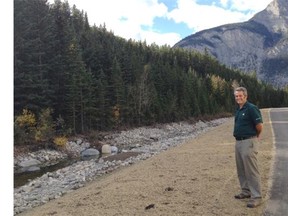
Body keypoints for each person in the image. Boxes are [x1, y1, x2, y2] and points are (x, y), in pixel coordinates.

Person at [233, 87, 263, 208]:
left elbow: (259, 125)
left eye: (240, 96)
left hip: (248, 141)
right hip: (239, 142)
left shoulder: (251, 108)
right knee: (241, 169)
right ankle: (246, 191)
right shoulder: (239, 109)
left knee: (251, 170)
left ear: (246, 96)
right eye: (236, 96)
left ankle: (257, 197)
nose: (238, 98)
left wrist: (256, 137)